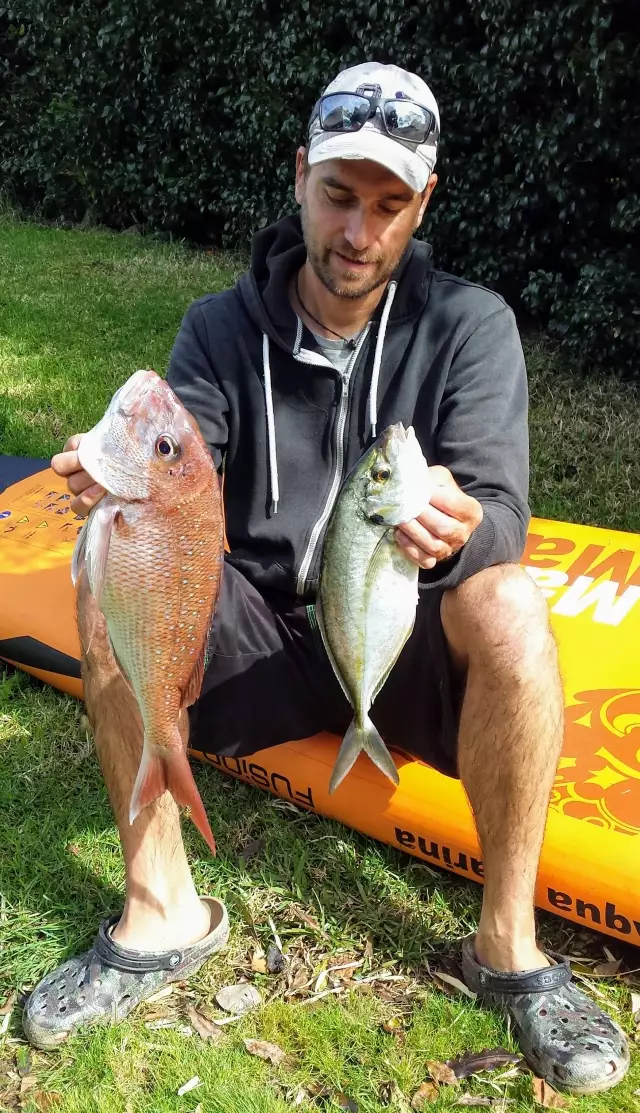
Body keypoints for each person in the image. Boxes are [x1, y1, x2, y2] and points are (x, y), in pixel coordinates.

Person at [27, 62, 628, 1094]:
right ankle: (162, 907)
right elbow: (184, 468)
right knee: (105, 562)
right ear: (299, 176)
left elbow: (507, 518)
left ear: (421, 204)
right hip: (256, 637)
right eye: (339, 196)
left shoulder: (470, 327)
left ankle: (509, 948)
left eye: (389, 205)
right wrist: (118, 487)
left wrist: (468, 524)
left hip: (395, 639)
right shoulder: (220, 329)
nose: (359, 232)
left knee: (515, 606)